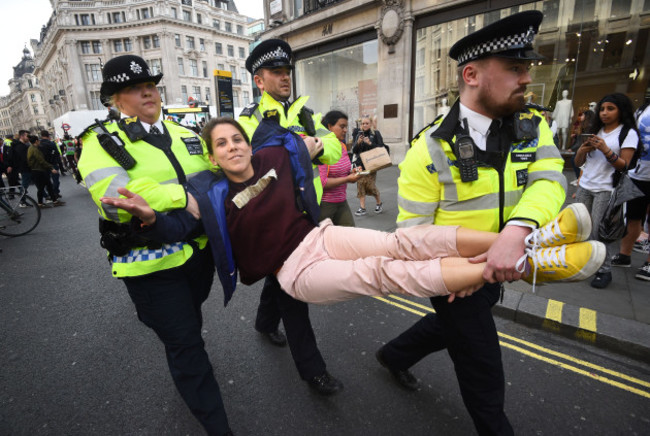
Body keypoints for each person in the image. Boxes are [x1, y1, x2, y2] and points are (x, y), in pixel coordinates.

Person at [100, 117, 603, 305]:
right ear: (212, 156)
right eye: (222, 144)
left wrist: (321, 140)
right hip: (295, 271)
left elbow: (319, 145)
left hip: (319, 235)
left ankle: (530, 244)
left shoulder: (274, 155)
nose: (233, 148)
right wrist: (147, 216)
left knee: (400, 242)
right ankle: (527, 262)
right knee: (381, 272)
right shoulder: (205, 192)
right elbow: (175, 223)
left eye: (237, 139)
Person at [374, 11, 569, 436]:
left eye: (527, 69)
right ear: (473, 74)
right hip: (452, 276)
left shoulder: (533, 126)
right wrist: (454, 274)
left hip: (503, 262)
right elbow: (412, 236)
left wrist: (515, 234)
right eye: (516, 68)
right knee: (481, 362)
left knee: (450, 330)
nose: (526, 78)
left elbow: (551, 182)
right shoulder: (429, 148)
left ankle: (393, 354)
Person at [77, 54, 232, 436]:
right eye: (132, 87)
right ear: (115, 99)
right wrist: (179, 194)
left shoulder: (185, 134)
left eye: (150, 84)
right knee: (185, 343)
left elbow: (215, 180)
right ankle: (219, 426)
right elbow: (117, 199)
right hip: (151, 267)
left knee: (189, 324)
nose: (146, 91)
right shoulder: (99, 142)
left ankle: (185, 357)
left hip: (198, 256)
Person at [237, 39, 344, 395]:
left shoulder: (304, 115)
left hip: (305, 215)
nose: (285, 78)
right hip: (274, 217)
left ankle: (264, 322)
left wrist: (307, 147)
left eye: (287, 72)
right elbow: (245, 166)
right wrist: (303, 147)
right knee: (295, 296)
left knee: (279, 279)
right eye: (276, 72)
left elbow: (332, 149)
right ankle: (313, 371)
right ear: (259, 81)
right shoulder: (248, 120)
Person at [574, 93, 641, 289]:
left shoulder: (627, 133)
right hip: (586, 185)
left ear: (621, 110)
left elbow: (625, 166)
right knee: (581, 228)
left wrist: (605, 149)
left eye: (610, 109)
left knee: (599, 232)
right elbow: (579, 163)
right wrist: (581, 151)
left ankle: (604, 270)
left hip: (606, 189)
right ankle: (587, 262)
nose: (604, 113)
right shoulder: (596, 131)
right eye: (602, 109)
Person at [610, 98, 650, 280]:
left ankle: (648, 264)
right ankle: (624, 255)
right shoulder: (643, 110)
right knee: (632, 218)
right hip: (637, 174)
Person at [318, 110, 361, 226]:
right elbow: (322, 182)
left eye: (346, 127)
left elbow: (343, 171)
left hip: (341, 201)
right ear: (329, 126)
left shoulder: (341, 145)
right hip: (324, 204)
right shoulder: (320, 147)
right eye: (342, 126)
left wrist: (352, 172)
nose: (345, 130)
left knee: (349, 236)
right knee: (323, 241)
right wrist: (347, 179)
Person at [351, 115, 387, 216]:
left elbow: (381, 148)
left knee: (370, 185)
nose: (365, 125)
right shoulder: (358, 135)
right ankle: (362, 208)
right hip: (360, 164)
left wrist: (370, 143)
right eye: (363, 123)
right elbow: (354, 151)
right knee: (360, 184)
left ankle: (379, 203)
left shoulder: (375, 133)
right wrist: (358, 143)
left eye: (367, 123)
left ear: (370, 124)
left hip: (372, 163)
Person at [26, 135, 63, 208]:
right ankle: (40, 203)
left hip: (39, 170)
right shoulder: (34, 149)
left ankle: (54, 201)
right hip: (38, 170)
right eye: (38, 141)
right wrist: (51, 168)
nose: (39, 142)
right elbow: (41, 160)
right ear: (36, 141)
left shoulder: (32, 148)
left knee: (49, 185)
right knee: (41, 188)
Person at [39, 130, 64, 199]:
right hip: (53, 163)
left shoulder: (39, 144)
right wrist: (59, 162)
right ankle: (55, 192)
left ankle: (51, 192)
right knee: (55, 179)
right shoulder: (51, 143)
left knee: (47, 180)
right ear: (48, 136)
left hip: (44, 164)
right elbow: (56, 153)